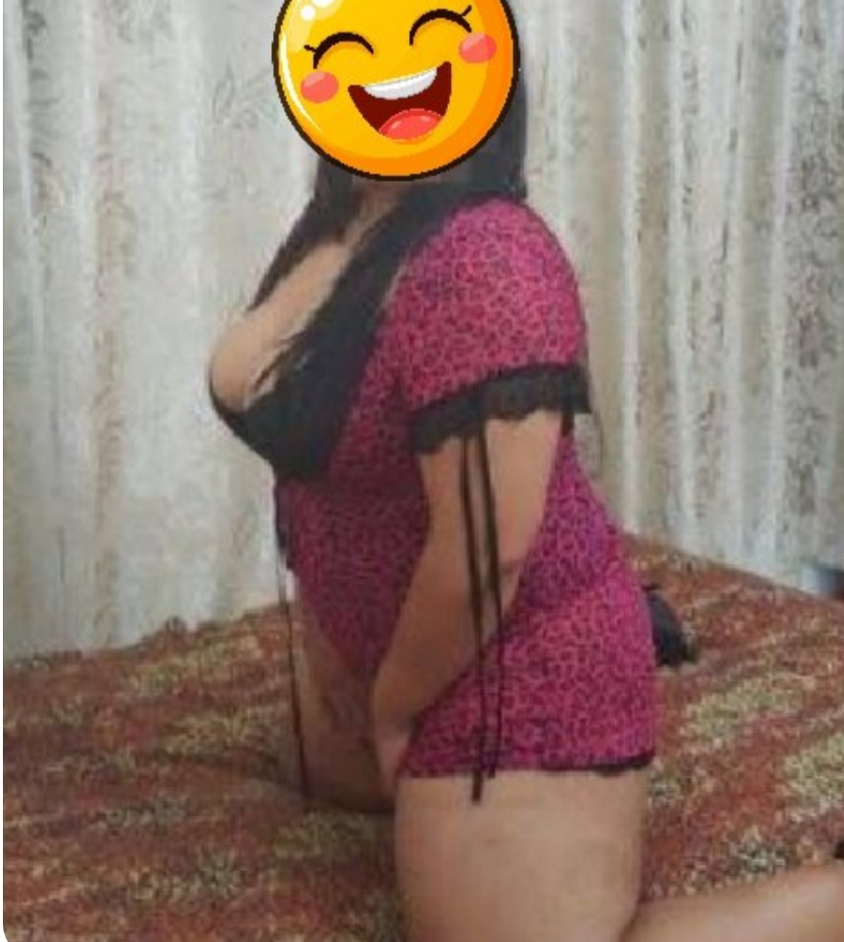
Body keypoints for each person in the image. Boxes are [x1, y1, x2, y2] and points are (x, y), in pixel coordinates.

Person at [208, 75, 844, 940]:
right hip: (405, 654)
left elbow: (487, 552)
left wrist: (393, 711)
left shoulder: (485, 259)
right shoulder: (347, 217)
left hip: (516, 664)